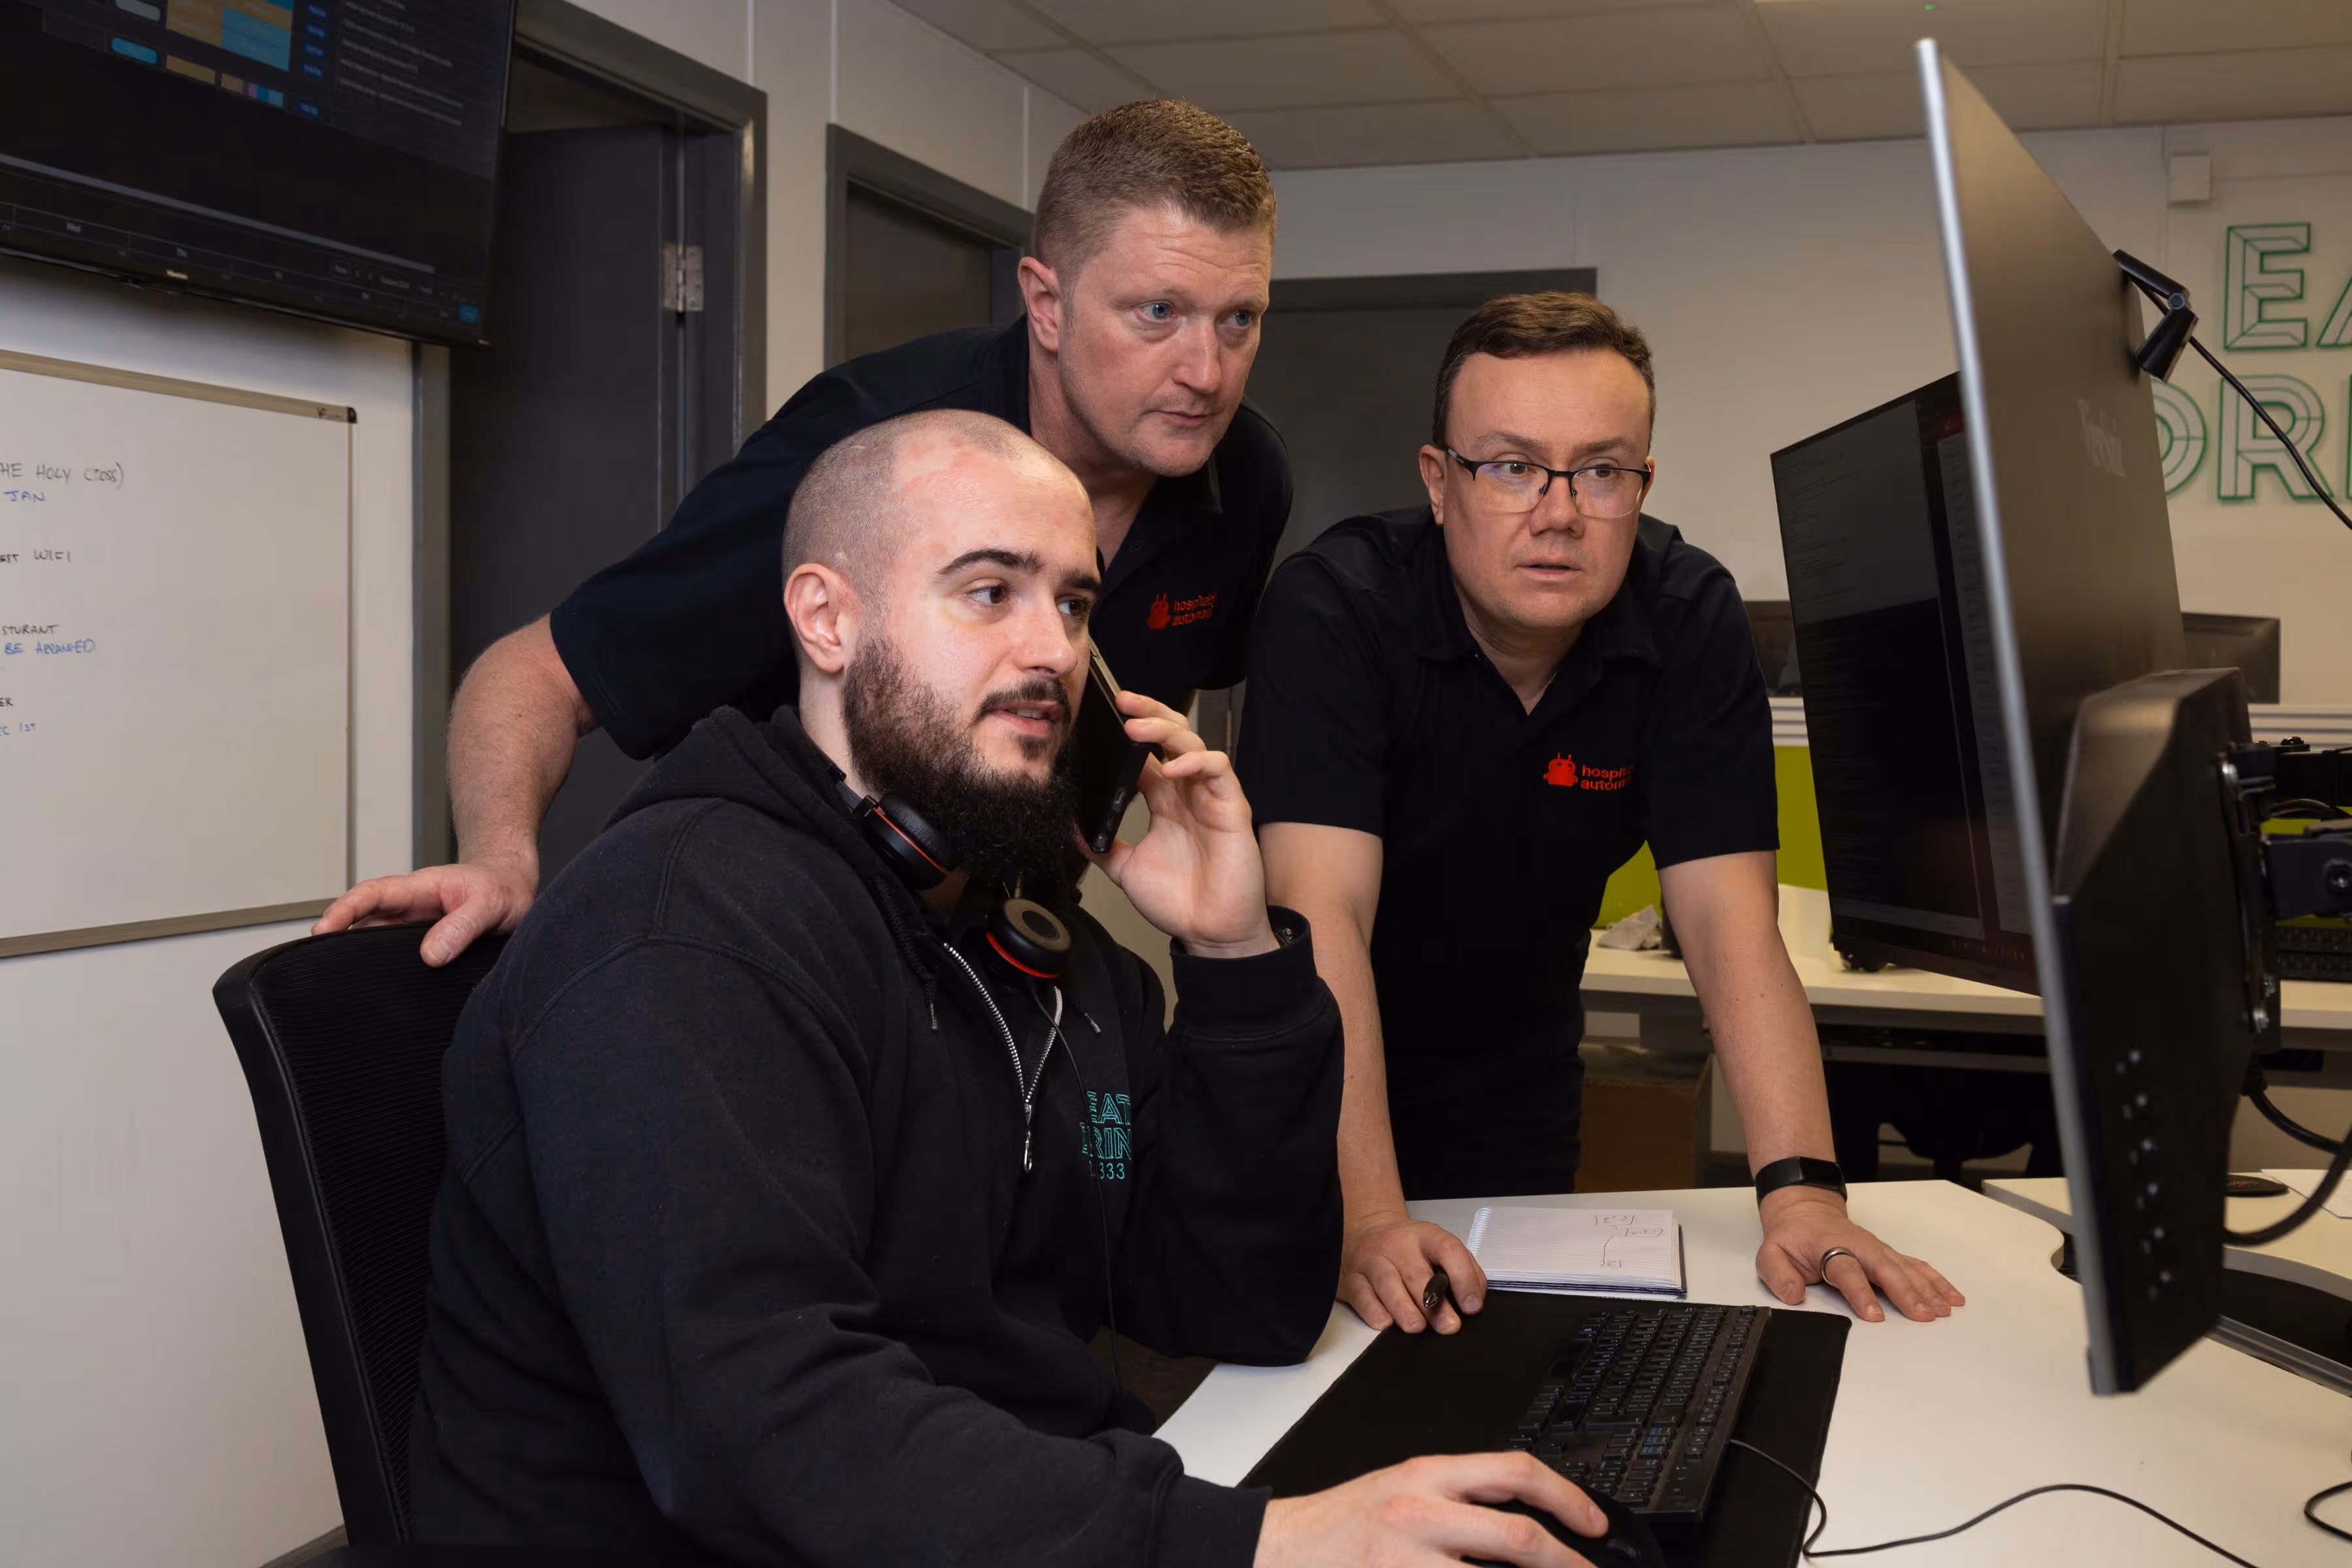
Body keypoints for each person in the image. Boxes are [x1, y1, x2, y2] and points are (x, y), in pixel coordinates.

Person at [408, 410, 1619, 1567]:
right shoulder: (686, 938)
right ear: (827, 622)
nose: (1053, 651)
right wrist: (1255, 1544)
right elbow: (771, 1435)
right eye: (990, 592)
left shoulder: (1014, 930)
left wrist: (1237, 955)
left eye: (1075, 602)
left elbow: (1237, 1298)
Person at [320, 99, 1292, 968]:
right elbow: (534, 672)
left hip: (994, 941)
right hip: (765, 921)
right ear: (1045, 301)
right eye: (1158, 313)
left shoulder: (1242, 479)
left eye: (1239, 319)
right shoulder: (864, 445)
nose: (1205, 371)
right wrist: (499, 859)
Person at [1238, 293, 1967, 1339]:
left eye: (1601, 471)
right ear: (1439, 484)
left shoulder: (1686, 618)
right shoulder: (1335, 610)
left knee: (1505, 1364)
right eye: (1509, 466)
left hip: (1514, 1069)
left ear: (1641, 486)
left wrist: (1803, 1194)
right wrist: (1367, 1215)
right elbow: (1322, 920)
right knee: (1309, 1382)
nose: (1558, 510)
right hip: (1318, 1079)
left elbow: (1730, 927)